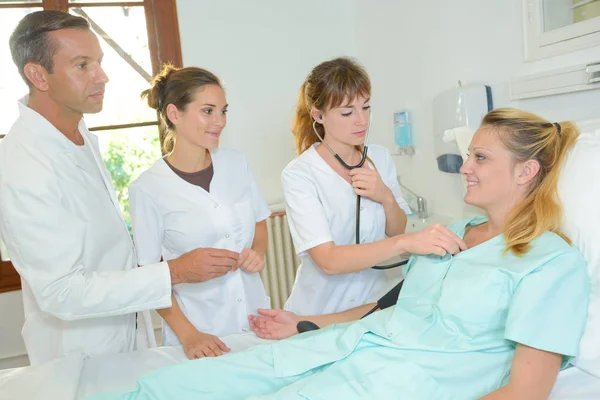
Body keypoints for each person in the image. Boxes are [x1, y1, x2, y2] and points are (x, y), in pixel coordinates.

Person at [89, 108, 589, 400]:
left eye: (481, 158)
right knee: (176, 386)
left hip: (398, 382)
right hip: (351, 345)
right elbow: (387, 308)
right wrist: (305, 324)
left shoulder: (550, 264)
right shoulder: (451, 232)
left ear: (526, 173)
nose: (465, 168)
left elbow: (526, 393)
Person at [0, 10, 240, 366]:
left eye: (98, 62)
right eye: (82, 65)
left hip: (124, 338)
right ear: (38, 75)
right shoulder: (23, 164)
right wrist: (175, 271)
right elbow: (61, 291)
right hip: (77, 358)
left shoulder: (81, 138)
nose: (102, 76)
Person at [282, 57, 466, 315]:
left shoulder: (379, 157)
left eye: (365, 107)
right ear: (318, 115)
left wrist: (385, 197)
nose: (361, 120)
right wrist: (405, 243)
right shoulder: (301, 174)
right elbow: (328, 261)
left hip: (373, 305)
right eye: (347, 112)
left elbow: (397, 228)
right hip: (320, 310)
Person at [129, 65, 271, 360]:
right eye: (208, 111)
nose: (219, 121)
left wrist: (257, 252)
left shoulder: (236, 163)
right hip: (198, 335)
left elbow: (259, 221)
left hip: (257, 320)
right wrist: (189, 335)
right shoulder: (148, 188)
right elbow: (149, 276)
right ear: (174, 114)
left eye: (223, 111)